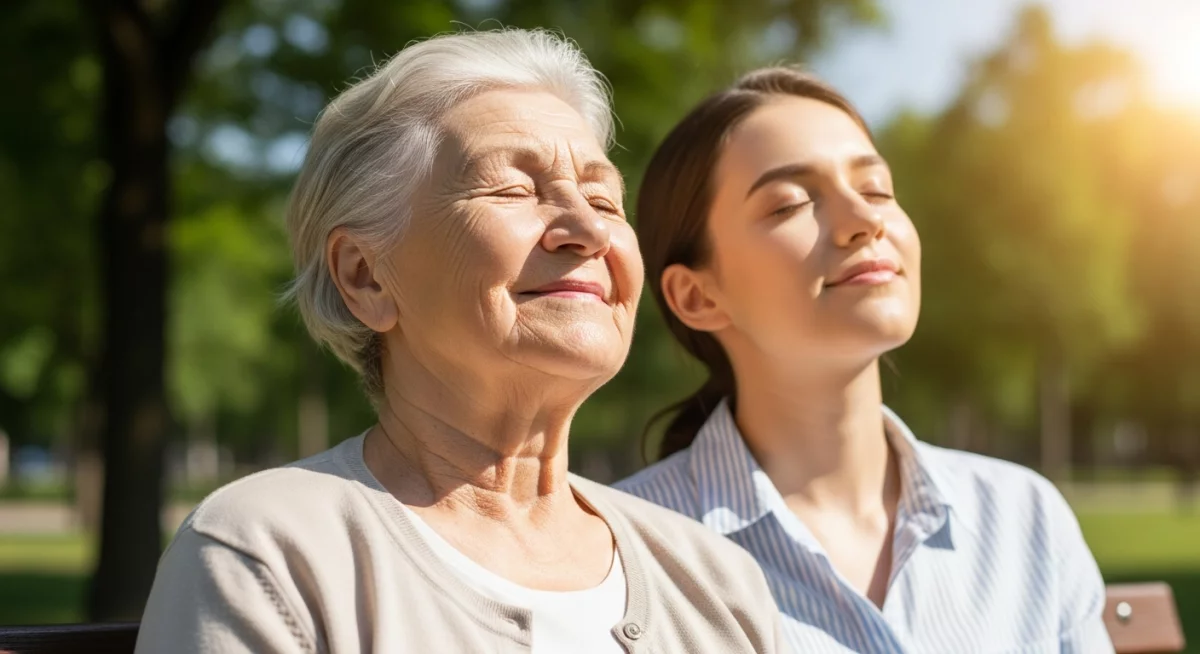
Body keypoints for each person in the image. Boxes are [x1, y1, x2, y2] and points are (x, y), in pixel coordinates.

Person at [135, 30, 784, 654]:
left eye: (605, 200)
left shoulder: (718, 582)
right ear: (365, 277)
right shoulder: (270, 552)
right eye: (513, 189)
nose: (587, 229)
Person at [616, 66, 1113, 654]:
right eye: (790, 203)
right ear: (697, 296)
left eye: (876, 189)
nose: (866, 220)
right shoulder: (626, 553)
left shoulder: (1024, 518)